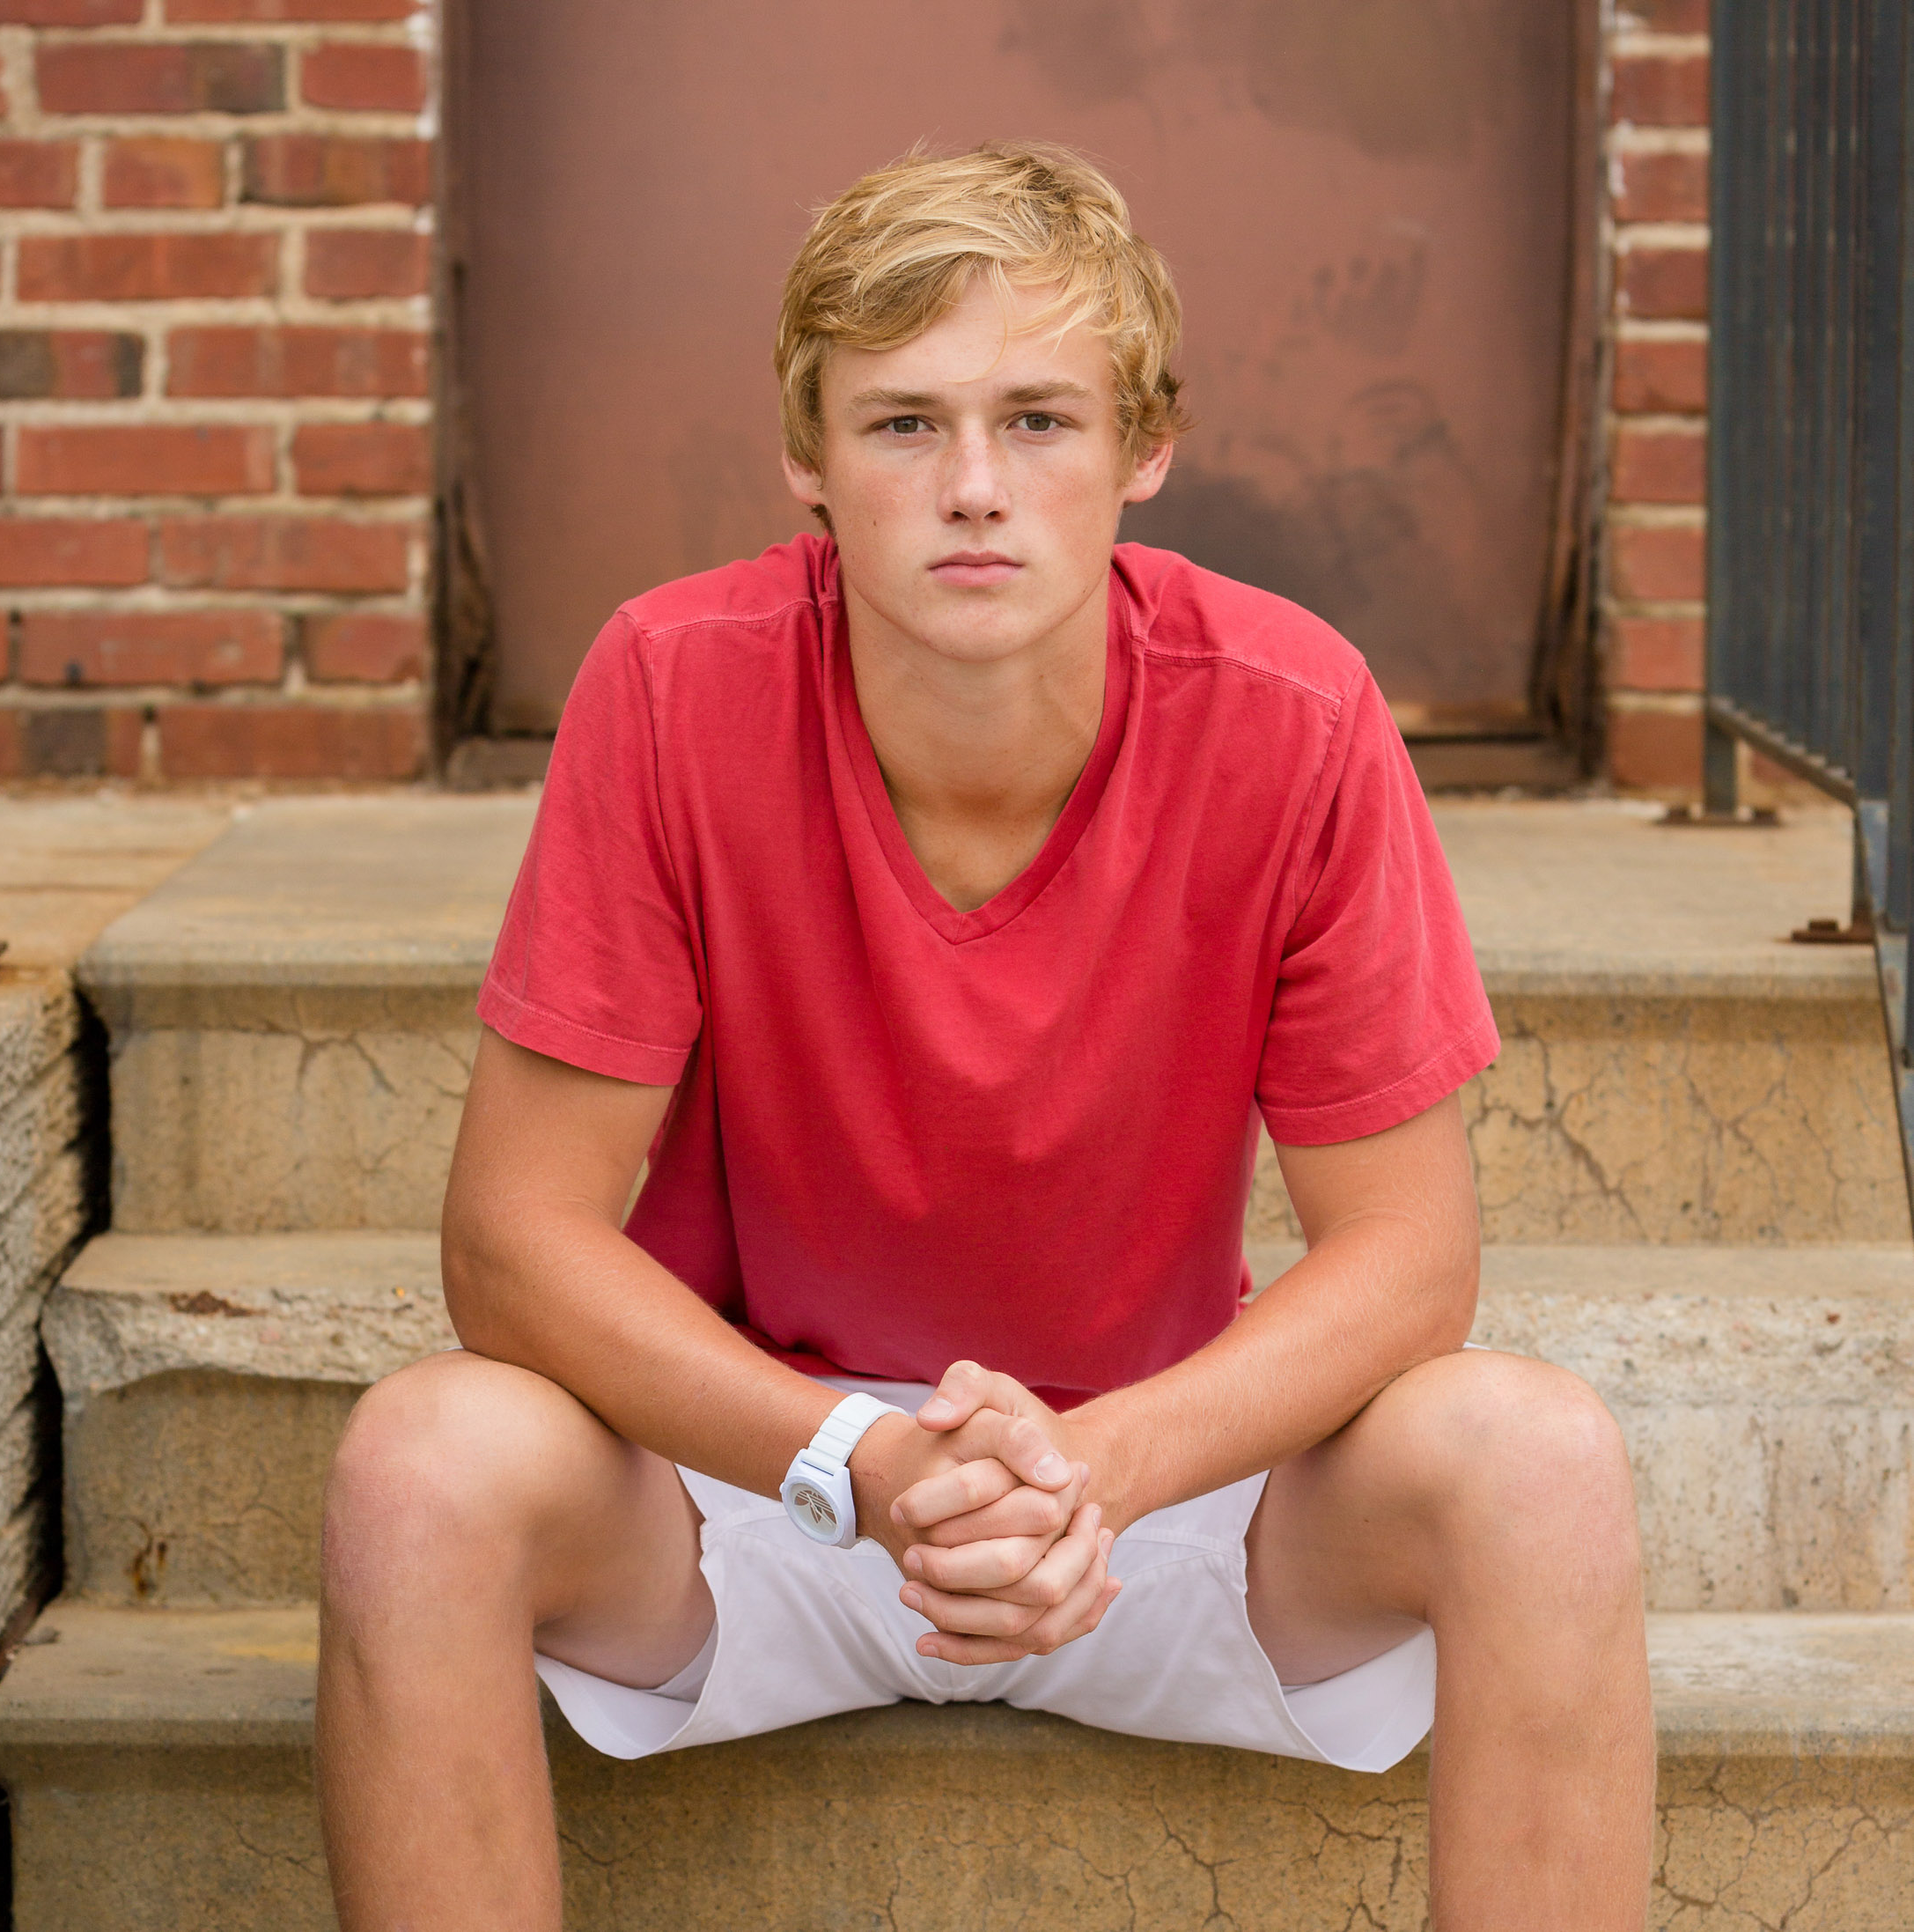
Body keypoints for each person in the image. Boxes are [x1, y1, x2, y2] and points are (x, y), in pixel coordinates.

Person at [315, 144, 1653, 1930]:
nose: (970, 490)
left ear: (1142, 445)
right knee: (419, 1463)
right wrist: (851, 1463)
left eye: (1035, 420)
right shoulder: (668, 682)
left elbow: (1411, 1257)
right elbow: (511, 1239)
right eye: (899, 425)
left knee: (1535, 1454)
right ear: (806, 452)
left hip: (1154, 1491)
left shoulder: (1294, 709)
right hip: (759, 1477)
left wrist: (1098, 1467)